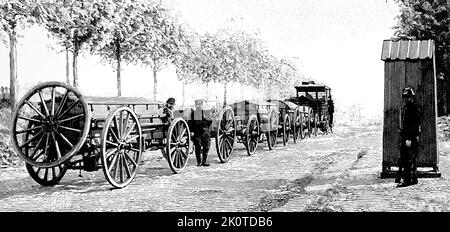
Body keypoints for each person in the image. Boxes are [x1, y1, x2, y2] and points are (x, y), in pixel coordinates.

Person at [396, 87, 421, 187]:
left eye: (408, 97)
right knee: (410, 158)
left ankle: (407, 180)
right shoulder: (407, 108)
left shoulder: (414, 109)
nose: (406, 99)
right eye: (405, 97)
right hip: (407, 136)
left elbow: (415, 126)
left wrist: (409, 139)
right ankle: (413, 178)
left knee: (408, 159)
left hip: (410, 137)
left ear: (412, 97)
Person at [191, 99, 212, 166]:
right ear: (196, 105)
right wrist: (192, 131)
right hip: (197, 132)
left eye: (200, 105)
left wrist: (206, 128)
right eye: (197, 105)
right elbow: (190, 123)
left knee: (206, 147)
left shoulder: (205, 112)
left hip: (205, 132)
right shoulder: (193, 113)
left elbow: (210, 121)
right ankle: (199, 162)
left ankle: (204, 161)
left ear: (201, 105)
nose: (199, 106)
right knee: (198, 147)